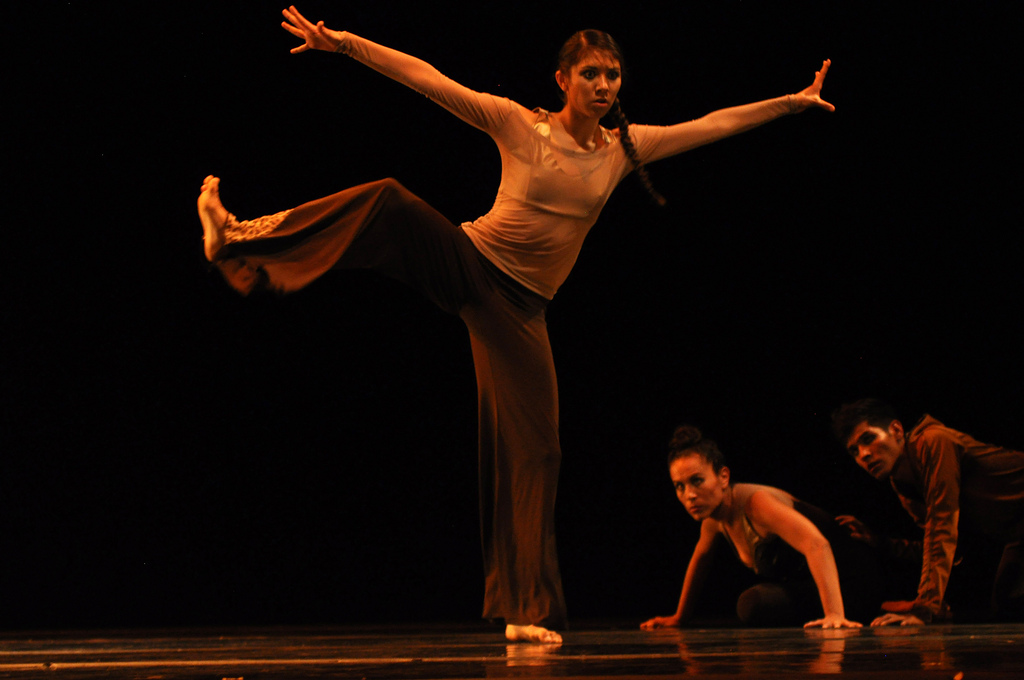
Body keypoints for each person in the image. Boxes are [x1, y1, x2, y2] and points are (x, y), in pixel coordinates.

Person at [199, 5, 835, 643]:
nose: (605, 86)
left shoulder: (623, 150)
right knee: (390, 200)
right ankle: (239, 236)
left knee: (538, 450)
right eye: (590, 73)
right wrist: (343, 45)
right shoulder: (518, 124)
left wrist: (791, 102)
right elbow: (429, 79)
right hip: (470, 262)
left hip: (523, 310)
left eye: (613, 75)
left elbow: (712, 124)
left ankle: (523, 612)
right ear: (562, 80)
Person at [641, 426, 882, 629]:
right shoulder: (712, 521)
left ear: (723, 477)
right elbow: (700, 562)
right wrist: (679, 617)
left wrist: (835, 615)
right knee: (754, 604)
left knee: (753, 604)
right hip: (812, 587)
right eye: (679, 486)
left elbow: (817, 544)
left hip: (853, 584)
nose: (689, 495)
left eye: (697, 481)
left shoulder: (756, 503)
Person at [832, 398, 1024, 626]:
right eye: (854, 451)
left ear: (896, 430)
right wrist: (879, 542)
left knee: (1011, 606)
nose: (863, 454)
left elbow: (942, 525)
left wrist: (925, 607)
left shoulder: (933, 441)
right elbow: (936, 546)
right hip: (1018, 534)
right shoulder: (903, 482)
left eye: (868, 439)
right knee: (1007, 606)